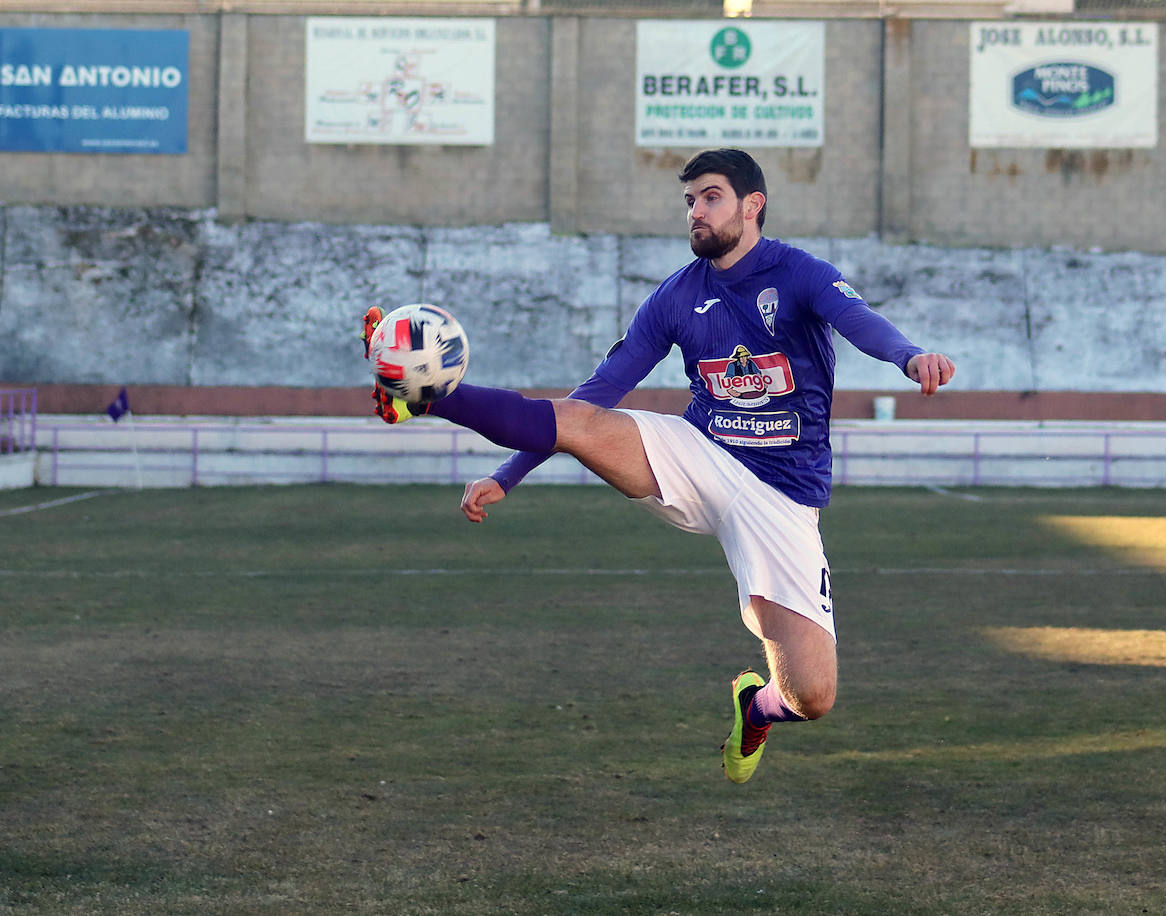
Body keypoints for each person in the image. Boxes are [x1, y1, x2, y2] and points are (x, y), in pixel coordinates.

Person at [361, 148, 955, 783]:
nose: (696, 212)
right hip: (697, 455)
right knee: (582, 420)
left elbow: (857, 320)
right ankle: (422, 397)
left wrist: (909, 355)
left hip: (781, 497)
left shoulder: (801, 274)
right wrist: (507, 475)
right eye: (690, 201)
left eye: (711, 197)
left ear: (753, 206)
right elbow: (592, 398)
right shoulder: (676, 297)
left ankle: (755, 708)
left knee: (813, 697)